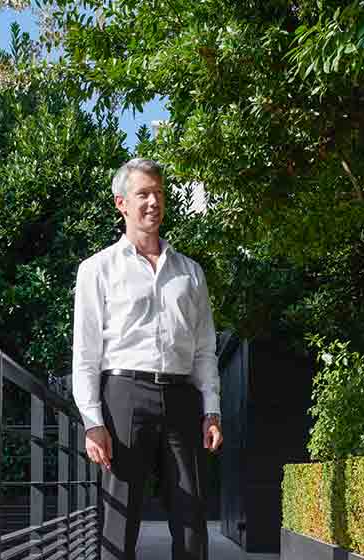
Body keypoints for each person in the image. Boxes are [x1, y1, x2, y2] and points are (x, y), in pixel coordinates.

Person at [71, 157, 223, 560]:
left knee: (191, 518)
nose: (153, 202)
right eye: (143, 194)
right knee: (119, 521)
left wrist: (211, 410)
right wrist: (92, 422)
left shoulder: (190, 273)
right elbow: (86, 352)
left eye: (158, 193)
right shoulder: (96, 269)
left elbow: (205, 348)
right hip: (123, 395)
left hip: (180, 396)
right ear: (121, 203)